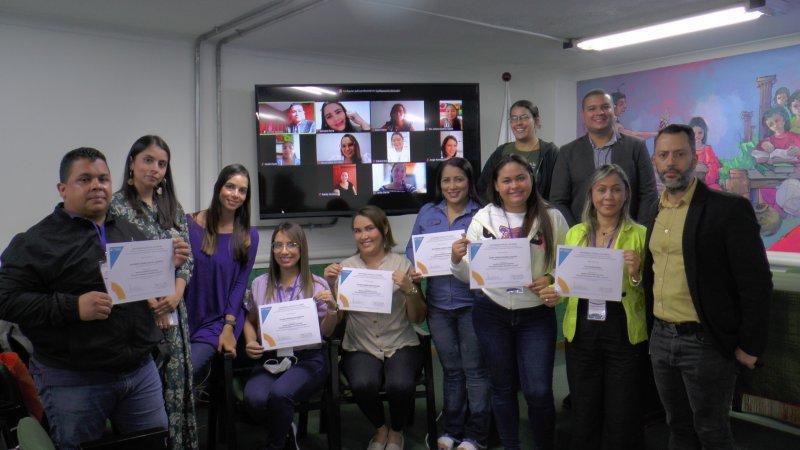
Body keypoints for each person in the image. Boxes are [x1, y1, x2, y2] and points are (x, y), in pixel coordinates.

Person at [0, 148, 178, 449]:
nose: (97, 185)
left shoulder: (129, 231)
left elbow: (141, 290)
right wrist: (73, 307)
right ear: (63, 189)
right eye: (85, 179)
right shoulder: (36, 242)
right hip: (74, 379)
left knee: (152, 442)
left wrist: (163, 270)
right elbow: (6, 299)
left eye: (103, 179)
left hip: (139, 371)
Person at [644, 124, 772, 450]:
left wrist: (750, 345)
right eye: (663, 155)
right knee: (677, 426)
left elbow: (755, 283)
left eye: (679, 154)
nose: (670, 162)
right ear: (655, 161)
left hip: (706, 344)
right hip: (660, 340)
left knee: (712, 431)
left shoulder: (728, 209)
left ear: (695, 157)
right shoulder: (651, 211)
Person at [451, 154, 568, 450]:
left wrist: (553, 279)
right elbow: (469, 275)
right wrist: (455, 259)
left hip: (536, 316)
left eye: (521, 178)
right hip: (492, 314)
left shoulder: (551, 217)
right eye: (507, 180)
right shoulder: (483, 218)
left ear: (531, 180)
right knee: (501, 388)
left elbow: (566, 265)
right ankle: (510, 445)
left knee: (539, 391)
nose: (515, 185)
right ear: (496, 185)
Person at [539, 164, 648, 450]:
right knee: (584, 407)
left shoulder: (640, 235)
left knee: (621, 410)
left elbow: (649, 289)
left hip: (623, 331)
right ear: (592, 194)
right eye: (601, 189)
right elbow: (566, 284)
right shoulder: (575, 234)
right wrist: (554, 294)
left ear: (626, 195)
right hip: (582, 330)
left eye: (616, 189)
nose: (608, 196)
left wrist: (637, 274)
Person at [108, 135, 199, 449]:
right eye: (148, 160)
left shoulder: (171, 206)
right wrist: (150, 300)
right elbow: (111, 263)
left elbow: (187, 260)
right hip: (137, 315)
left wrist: (176, 294)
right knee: (148, 398)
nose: (155, 169)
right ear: (132, 162)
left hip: (174, 311)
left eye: (162, 163)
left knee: (176, 386)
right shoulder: (114, 207)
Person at [324, 206, 426, 450]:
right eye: (358, 231)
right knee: (362, 384)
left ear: (384, 229)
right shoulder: (345, 268)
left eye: (369, 228)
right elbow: (336, 319)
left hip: (401, 342)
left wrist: (409, 289)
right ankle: (381, 429)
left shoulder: (403, 264)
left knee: (400, 385)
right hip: (360, 345)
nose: (364, 236)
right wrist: (331, 286)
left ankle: (397, 432)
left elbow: (418, 317)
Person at [405, 158, 489, 450]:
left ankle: (476, 434)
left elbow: (490, 259)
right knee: (451, 369)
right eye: (446, 181)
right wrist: (415, 267)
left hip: (473, 304)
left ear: (469, 182)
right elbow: (411, 250)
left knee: (475, 370)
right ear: (439, 185)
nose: (452, 186)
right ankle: (452, 429)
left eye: (459, 180)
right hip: (439, 306)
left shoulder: (482, 214)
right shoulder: (428, 212)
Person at [243, 222, 339, 449]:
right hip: (271, 358)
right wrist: (249, 341)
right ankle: (286, 429)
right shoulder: (259, 284)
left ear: (301, 248)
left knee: (279, 394)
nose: (284, 251)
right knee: (254, 400)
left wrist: (333, 309)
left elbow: (326, 332)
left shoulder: (317, 285)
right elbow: (250, 320)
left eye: (291, 245)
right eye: (278, 245)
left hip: (308, 359)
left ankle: (277, 445)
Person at [184, 164, 259, 380]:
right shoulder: (188, 223)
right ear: (219, 188)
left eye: (242, 190)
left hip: (217, 321)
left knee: (186, 373)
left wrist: (228, 326)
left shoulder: (249, 236)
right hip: (186, 314)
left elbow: (239, 284)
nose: (235, 194)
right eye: (230, 186)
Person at [550, 88, 658, 227]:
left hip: (627, 236)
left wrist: (639, 232)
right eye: (592, 108)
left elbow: (648, 195)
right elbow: (558, 200)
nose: (599, 113)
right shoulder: (568, 152)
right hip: (581, 240)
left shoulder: (636, 147)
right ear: (583, 115)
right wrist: (575, 233)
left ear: (613, 111)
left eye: (605, 107)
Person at [477, 100, 558, 201]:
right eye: (513, 118)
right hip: (504, 214)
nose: (518, 123)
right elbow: (483, 188)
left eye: (524, 117)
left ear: (536, 121)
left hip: (539, 214)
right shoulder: (501, 152)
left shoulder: (550, 153)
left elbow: (558, 193)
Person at [688, 117, 722, 190]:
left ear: (704, 133)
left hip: (707, 184)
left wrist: (706, 171)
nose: (697, 136)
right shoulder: (688, 150)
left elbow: (713, 171)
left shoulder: (707, 149)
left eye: (700, 133)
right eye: (694, 133)